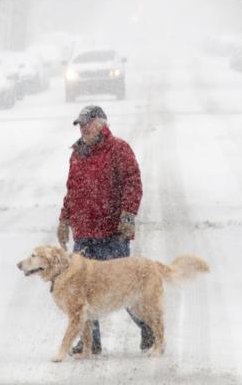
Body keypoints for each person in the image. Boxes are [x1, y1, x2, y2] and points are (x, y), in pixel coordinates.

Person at [57, 103, 154, 354]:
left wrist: (128, 216)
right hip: (84, 233)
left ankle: (148, 326)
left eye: (87, 125)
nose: (83, 130)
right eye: (80, 126)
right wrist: (64, 219)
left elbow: (133, 184)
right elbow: (72, 191)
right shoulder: (77, 153)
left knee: (121, 288)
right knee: (84, 292)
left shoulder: (119, 150)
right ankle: (91, 341)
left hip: (112, 233)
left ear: (102, 124)